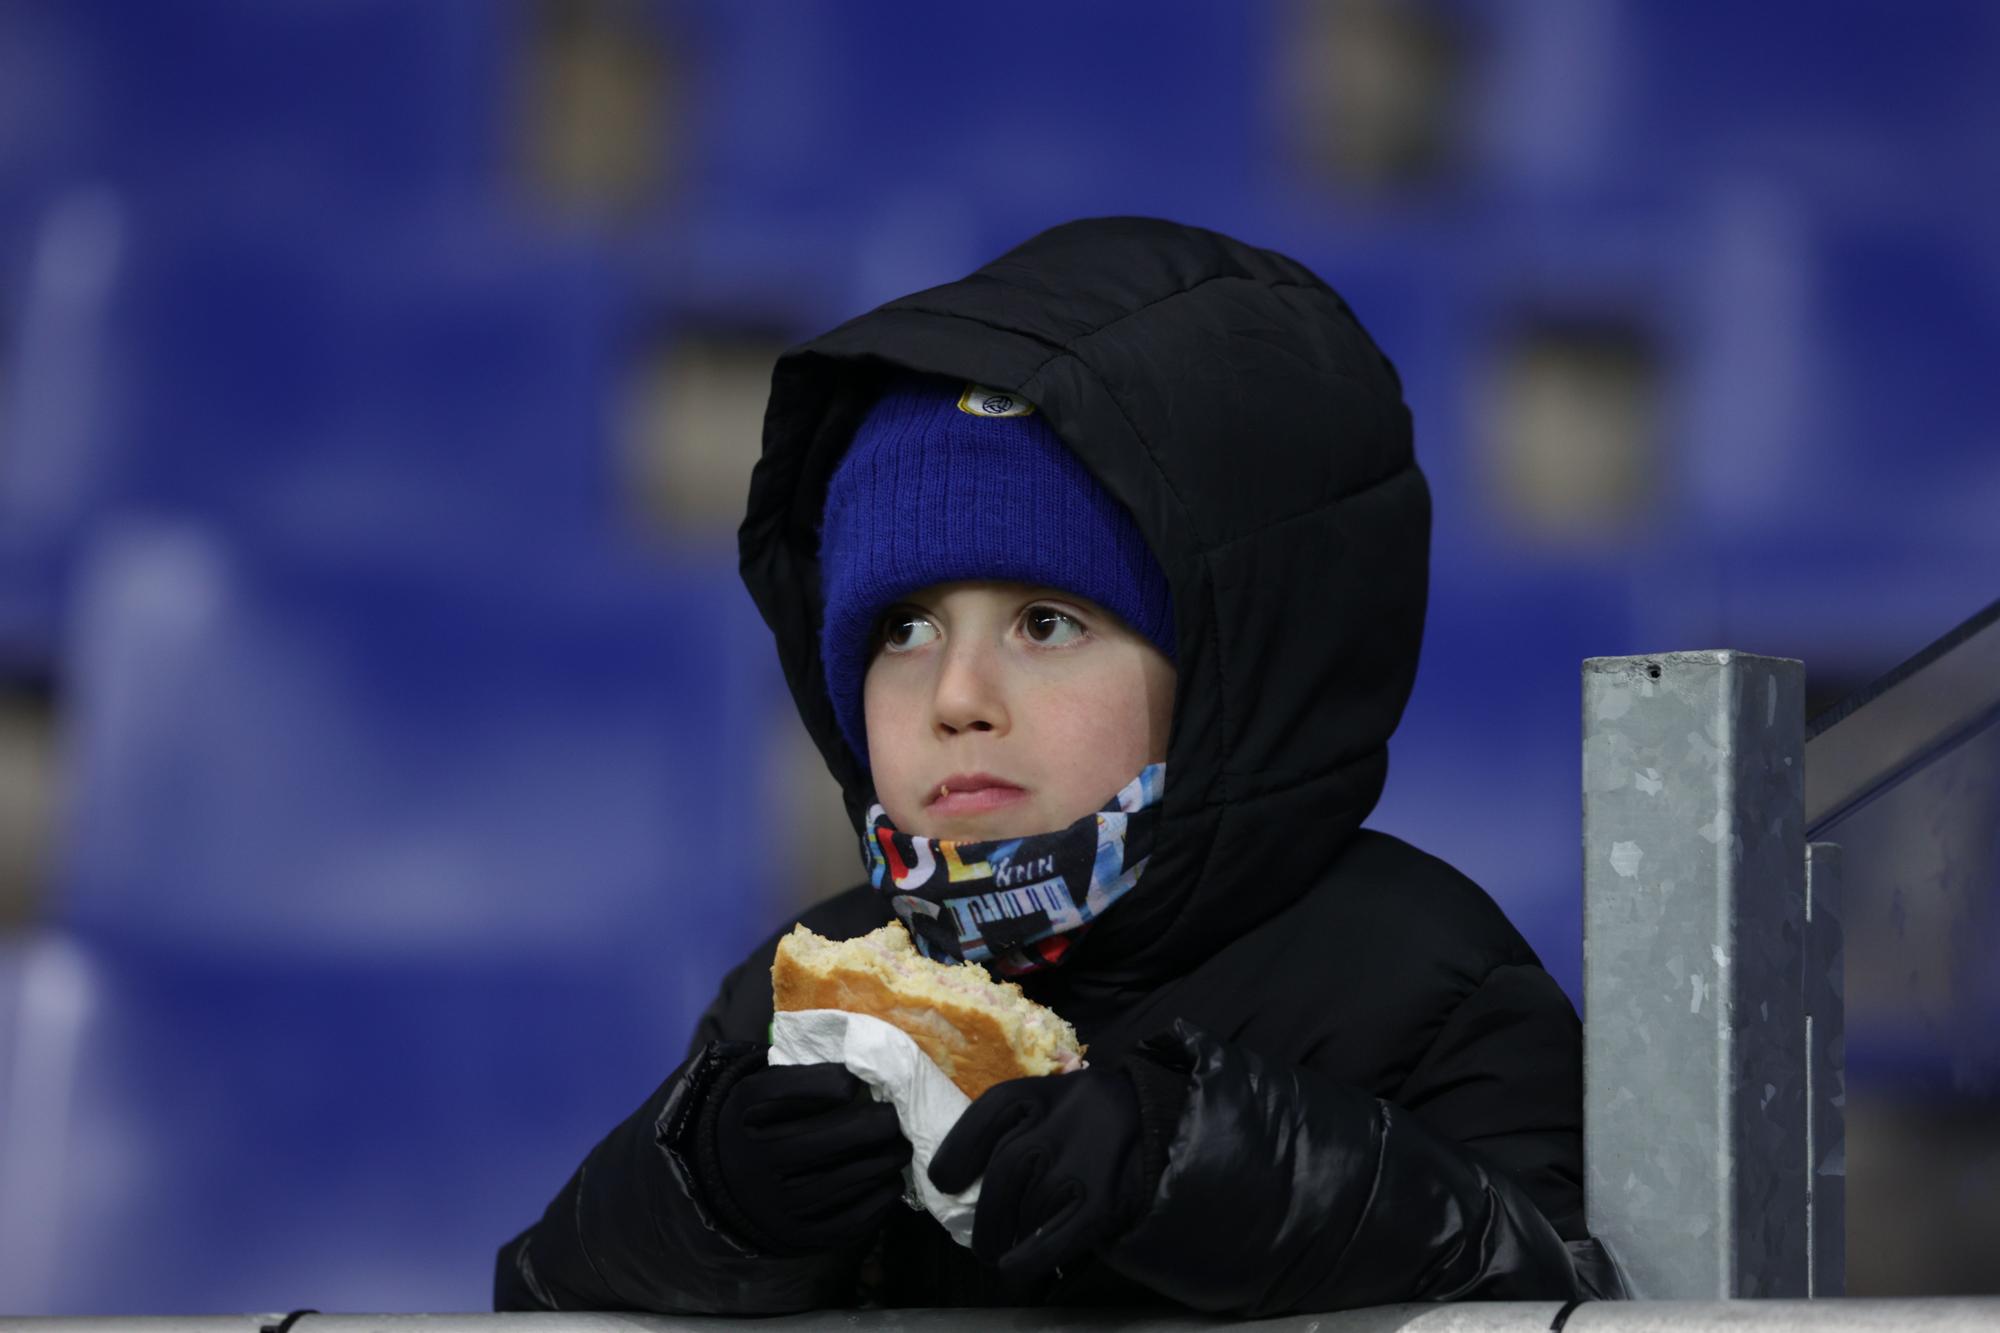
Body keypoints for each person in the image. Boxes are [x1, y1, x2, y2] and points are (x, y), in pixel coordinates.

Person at [494, 215, 1627, 1315]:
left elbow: (1555, 1293)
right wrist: (702, 1205)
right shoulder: (802, 987)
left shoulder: (1420, 974)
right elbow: (536, 1299)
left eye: (1045, 623)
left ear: (1229, 664)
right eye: (902, 629)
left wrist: (1211, 1171)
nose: (955, 698)